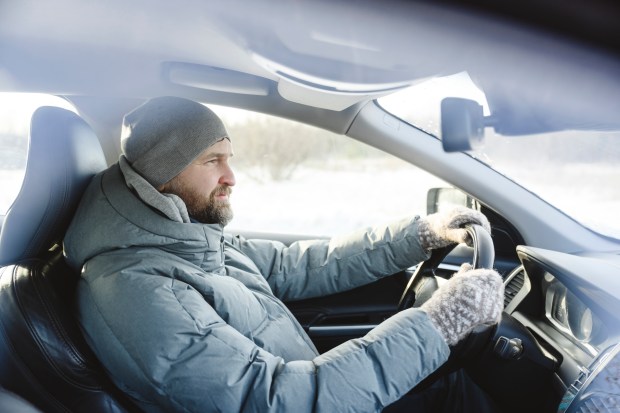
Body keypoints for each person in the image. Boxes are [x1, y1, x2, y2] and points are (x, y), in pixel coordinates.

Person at [63, 96, 504, 413]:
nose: (231, 176)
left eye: (228, 158)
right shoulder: (136, 289)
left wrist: (420, 234)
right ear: (163, 174)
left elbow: (306, 264)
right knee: (455, 395)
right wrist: (435, 324)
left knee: (451, 388)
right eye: (211, 160)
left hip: (316, 391)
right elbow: (271, 400)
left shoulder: (188, 240)